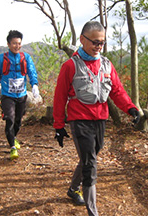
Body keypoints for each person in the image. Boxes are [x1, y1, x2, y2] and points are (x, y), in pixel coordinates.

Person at [53, 21, 140, 216]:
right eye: (95, 42)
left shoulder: (106, 65)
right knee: (91, 164)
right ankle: (93, 212)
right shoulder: (70, 66)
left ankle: (73, 189)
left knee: (89, 157)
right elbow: (59, 98)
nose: (98, 46)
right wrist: (59, 126)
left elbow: (117, 91)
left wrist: (131, 109)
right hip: (79, 119)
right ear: (82, 39)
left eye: (102, 43)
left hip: (100, 119)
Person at [0, 30, 39, 160]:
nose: (16, 46)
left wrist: (34, 85)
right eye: (14, 43)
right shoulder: (1, 58)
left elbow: (31, 71)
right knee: (10, 118)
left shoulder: (26, 57)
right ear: (8, 44)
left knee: (18, 121)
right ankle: (12, 146)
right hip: (7, 95)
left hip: (22, 95)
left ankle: (14, 137)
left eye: (19, 43)